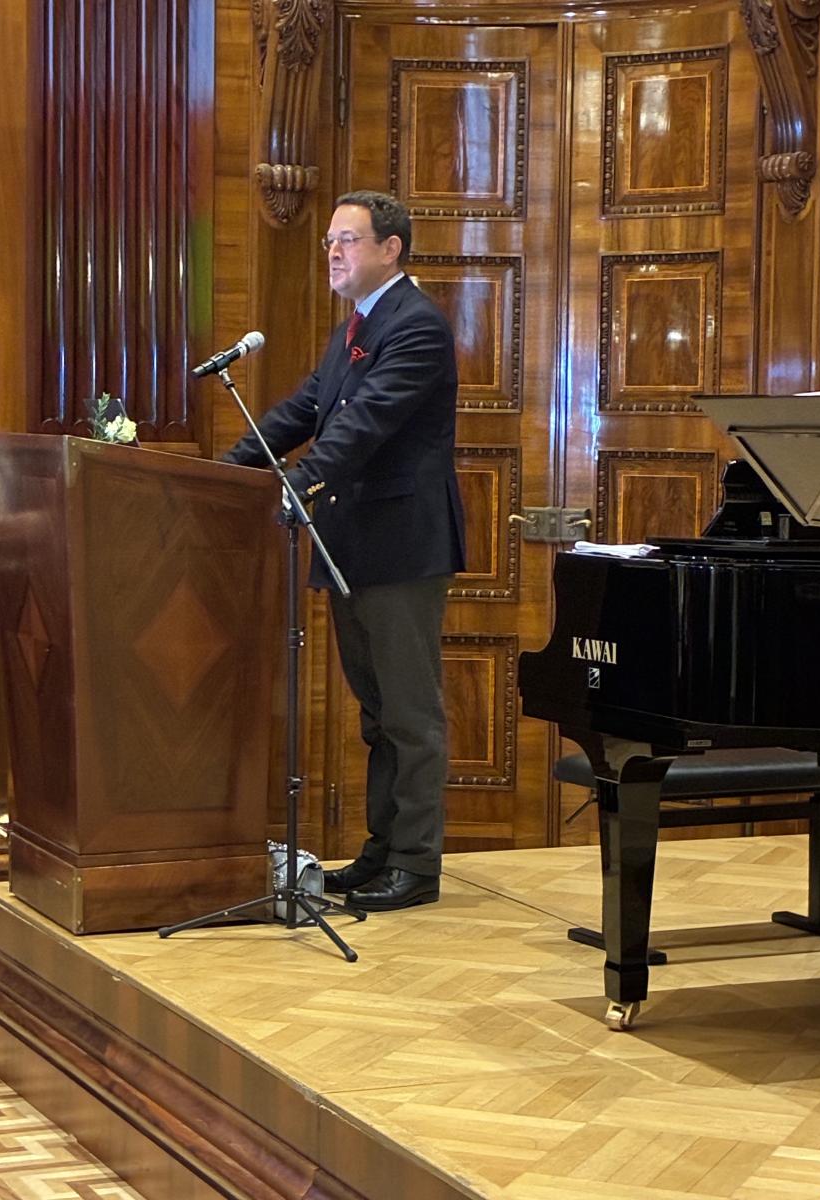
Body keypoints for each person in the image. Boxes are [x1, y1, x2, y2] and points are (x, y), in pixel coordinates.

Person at [223, 190, 465, 912]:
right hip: (353, 545)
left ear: (391, 248)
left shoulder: (416, 325)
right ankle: (382, 852)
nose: (332, 251)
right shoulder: (355, 326)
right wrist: (228, 470)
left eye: (348, 240)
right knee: (376, 713)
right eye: (329, 239)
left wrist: (298, 482)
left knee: (410, 716)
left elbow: (364, 423)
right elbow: (305, 409)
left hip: (402, 547)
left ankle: (416, 866)